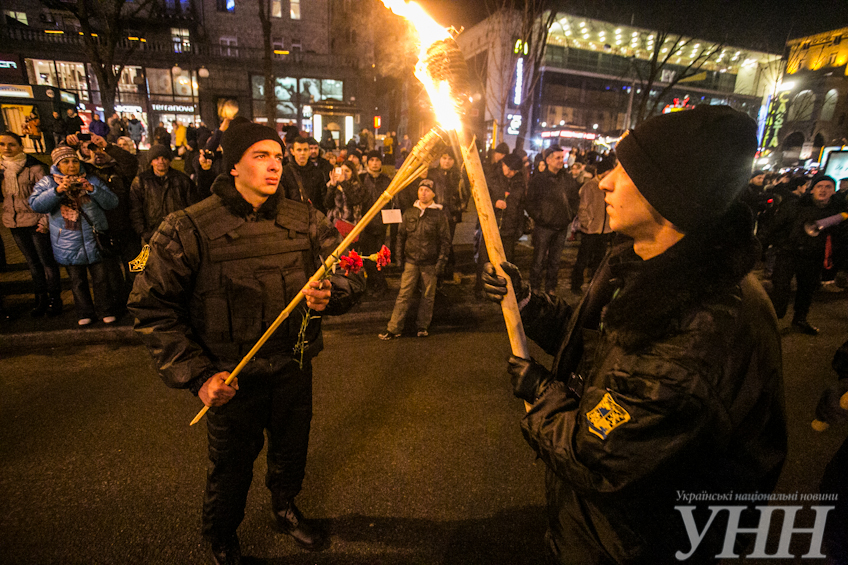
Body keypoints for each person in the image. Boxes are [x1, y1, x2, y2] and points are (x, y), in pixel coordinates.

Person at [482, 105, 787, 564]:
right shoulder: (648, 263)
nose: (604, 181)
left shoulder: (697, 328)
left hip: (641, 542)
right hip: (604, 529)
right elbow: (601, 345)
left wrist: (541, 394)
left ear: (669, 195)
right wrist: (524, 303)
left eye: (623, 172)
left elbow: (601, 458)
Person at [127, 122, 365, 563]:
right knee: (231, 468)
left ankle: (285, 507)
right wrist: (198, 377)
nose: (274, 164)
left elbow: (352, 270)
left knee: (291, 450)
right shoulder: (187, 228)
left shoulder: (305, 220)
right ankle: (222, 536)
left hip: (292, 367)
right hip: (230, 377)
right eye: (260, 155)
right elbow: (152, 307)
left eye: (278, 156)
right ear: (233, 165)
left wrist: (333, 294)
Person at [30, 146, 119, 325]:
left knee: (101, 279)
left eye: (75, 161)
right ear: (57, 164)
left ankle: (105, 310)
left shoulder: (91, 179)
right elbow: (36, 205)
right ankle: (84, 312)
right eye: (66, 162)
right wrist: (57, 191)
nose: (72, 165)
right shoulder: (48, 182)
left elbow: (112, 202)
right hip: (67, 241)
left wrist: (92, 189)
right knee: (77, 281)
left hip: (95, 239)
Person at [765, 174, 843, 335]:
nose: (823, 190)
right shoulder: (796, 206)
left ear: (834, 191)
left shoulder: (838, 212)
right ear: (812, 189)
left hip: (813, 257)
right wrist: (779, 244)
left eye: (828, 187)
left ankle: (800, 319)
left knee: (806, 291)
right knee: (780, 289)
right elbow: (775, 227)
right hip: (789, 254)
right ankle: (772, 322)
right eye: (819, 186)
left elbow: (842, 238)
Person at [0, 132, 62, 316]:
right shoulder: (2, 170)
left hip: (37, 221)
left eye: (11, 144)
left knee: (47, 262)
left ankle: (54, 300)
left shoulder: (34, 168)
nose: (6, 148)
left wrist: (44, 221)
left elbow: (48, 196)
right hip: (15, 222)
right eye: (2, 144)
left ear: (20, 146)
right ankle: (40, 300)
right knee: (32, 263)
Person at [379, 178, 450, 340]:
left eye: (427, 190)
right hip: (411, 261)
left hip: (429, 262)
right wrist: (399, 259)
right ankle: (394, 328)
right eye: (421, 190)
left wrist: (441, 262)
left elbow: (445, 241)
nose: (423, 193)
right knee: (403, 294)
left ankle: (422, 327)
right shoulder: (410, 212)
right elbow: (400, 236)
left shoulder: (439, 215)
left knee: (427, 296)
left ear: (433, 194)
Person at [525, 145, 578, 296]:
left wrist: (570, 215)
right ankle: (534, 288)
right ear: (548, 160)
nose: (561, 161)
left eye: (562, 158)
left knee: (555, 261)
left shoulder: (567, 179)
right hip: (544, 227)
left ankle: (551, 289)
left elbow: (575, 199)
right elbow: (530, 202)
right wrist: (540, 217)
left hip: (561, 227)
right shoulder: (539, 180)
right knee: (538, 260)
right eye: (558, 158)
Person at [474, 153, 525, 296]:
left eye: (514, 170)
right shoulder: (492, 179)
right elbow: (480, 199)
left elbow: (520, 207)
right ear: (502, 165)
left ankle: (504, 290)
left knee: (507, 262)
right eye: (508, 168)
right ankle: (481, 289)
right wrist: (494, 203)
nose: (510, 173)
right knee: (485, 261)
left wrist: (519, 229)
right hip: (491, 227)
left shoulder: (519, 183)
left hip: (509, 228)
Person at [130, 144, 199, 244]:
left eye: (164, 158)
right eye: (157, 158)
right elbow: (135, 209)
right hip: (152, 234)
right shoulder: (141, 181)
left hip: (179, 235)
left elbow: (193, 205)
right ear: (151, 162)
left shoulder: (182, 180)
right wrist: (143, 232)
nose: (161, 162)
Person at [570, 161, 615, 293]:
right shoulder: (589, 186)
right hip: (590, 230)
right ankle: (576, 285)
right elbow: (582, 208)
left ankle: (595, 285)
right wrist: (588, 223)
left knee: (599, 260)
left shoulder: (608, 186)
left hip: (604, 229)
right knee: (582, 259)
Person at [428, 148, 464, 283]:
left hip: (450, 215)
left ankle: (445, 273)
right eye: (444, 158)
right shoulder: (432, 174)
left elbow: (464, 196)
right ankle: (435, 274)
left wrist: (455, 209)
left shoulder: (458, 176)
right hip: (434, 214)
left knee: (446, 243)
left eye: (450, 159)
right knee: (434, 243)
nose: (447, 161)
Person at [359, 150, 390, 295]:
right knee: (367, 256)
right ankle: (371, 283)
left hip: (382, 224)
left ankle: (380, 283)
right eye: (372, 160)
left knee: (380, 256)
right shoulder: (361, 178)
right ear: (367, 163)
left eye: (377, 160)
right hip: (365, 224)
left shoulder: (386, 180)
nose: (375, 163)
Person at [281, 136, 328, 214]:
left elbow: (323, 200)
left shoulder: (317, 172)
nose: (302, 153)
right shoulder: (285, 172)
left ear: (309, 152)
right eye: (299, 150)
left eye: (305, 150)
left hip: (313, 218)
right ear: (292, 151)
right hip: (292, 217)